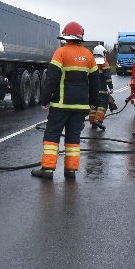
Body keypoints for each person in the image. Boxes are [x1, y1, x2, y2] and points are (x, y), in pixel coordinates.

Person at [32, 21, 100, 180]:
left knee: (52, 135)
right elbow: (95, 81)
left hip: (61, 105)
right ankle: (71, 170)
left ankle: (47, 169)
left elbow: (52, 78)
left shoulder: (60, 53)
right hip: (81, 106)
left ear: (66, 36)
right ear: (80, 36)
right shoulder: (89, 55)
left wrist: (44, 99)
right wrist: (93, 102)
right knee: (73, 138)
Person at [89, 44, 113, 130]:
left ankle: (92, 121)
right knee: (102, 105)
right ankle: (98, 120)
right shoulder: (103, 62)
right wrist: (111, 86)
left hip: (91, 89)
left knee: (93, 105)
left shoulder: (90, 61)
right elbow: (107, 75)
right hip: (101, 89)